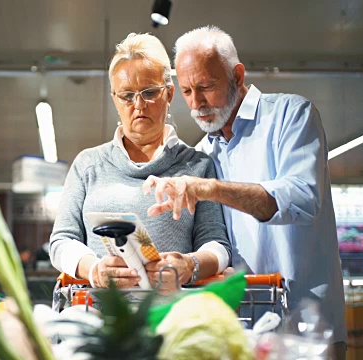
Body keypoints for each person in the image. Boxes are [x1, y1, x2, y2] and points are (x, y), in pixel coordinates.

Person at [142, 26, 347, 356]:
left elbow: (301, 197)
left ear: (237, 75)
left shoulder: (291, 116)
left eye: (206, 87)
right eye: (187, 91)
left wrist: (210, 188)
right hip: (242, 331)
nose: (197, 103)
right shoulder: (205, 154)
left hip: (308, 329)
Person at [49, 33, 231, 291]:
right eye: (126, 95)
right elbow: (61, 241)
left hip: (171, 318)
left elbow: (218, 245)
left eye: (149, 93)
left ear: (168, 94)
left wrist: (190, 265)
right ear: (115, 99)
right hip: (98, 314)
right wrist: (93, 269)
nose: (138, 105)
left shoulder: (197, 166)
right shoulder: (88, 165)